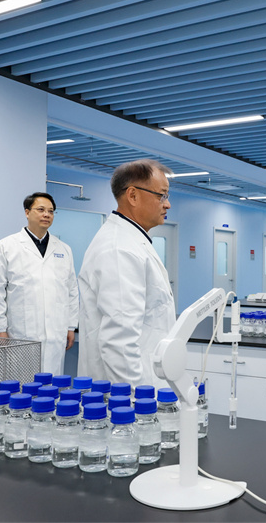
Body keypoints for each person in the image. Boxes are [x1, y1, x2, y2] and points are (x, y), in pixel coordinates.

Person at [77, 159, 176, 386]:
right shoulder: (119, 249)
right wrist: (134, 399)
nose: (167, 204)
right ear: (133, 195)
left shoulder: (131, 241)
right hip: (131, 392)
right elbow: (119, 342)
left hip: (146, 381)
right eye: (162, 196)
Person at [0, 192, 79, 375]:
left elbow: (71, 291)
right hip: (20, 333)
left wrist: (70, 327)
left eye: (51, 211)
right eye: (41, 210)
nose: (46, 215)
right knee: (22, 383)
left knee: (52, 383)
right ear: (27, 212)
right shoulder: (7, 246)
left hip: (55, 333)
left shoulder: (63, 249)